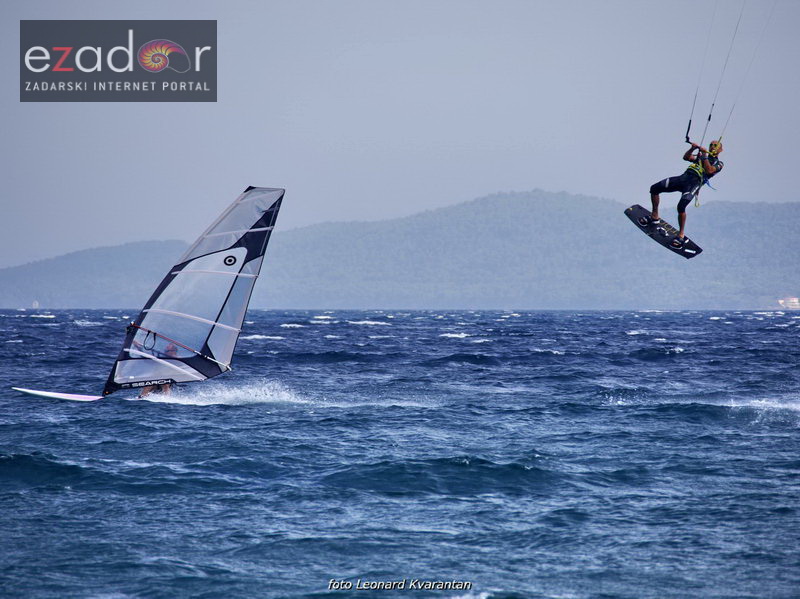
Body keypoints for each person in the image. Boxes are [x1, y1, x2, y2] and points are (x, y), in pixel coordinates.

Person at [641, 140, 724, 247]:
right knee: (654, 188)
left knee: (681, 207)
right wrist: (692, 148)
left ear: (720, 150)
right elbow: (687, 158)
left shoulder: (719, 163)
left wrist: (704, 155)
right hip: (682, 179)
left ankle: (681, 235)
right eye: (711, 145)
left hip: (693, 184)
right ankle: (654, 216)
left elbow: (709, 171)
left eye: (715, 145)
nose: (713, 146)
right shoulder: (701, 157)